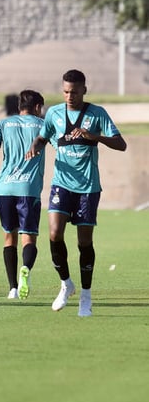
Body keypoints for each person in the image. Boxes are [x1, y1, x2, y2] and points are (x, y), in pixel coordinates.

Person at [26, 69, 127, 317]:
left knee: (84, 242)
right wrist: (36, 146)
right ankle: (65, 284)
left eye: (74, 91)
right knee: (53, 233)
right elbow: (43, 137)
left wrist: (96, 137)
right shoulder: (54, 113)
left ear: (84, 90)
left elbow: (121, 144)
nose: (69, 96)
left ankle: (86, 295)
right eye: (66, 91)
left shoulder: (97, 114)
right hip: (62, 183)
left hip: (88, 188)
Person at [0, 89, 46, 300]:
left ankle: (12, 288)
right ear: (38, 107)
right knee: (28, 237)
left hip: (5, 188)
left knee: (8, 237)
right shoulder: (41, 125)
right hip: (27, 189)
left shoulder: (3, 124)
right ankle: (26, 269)